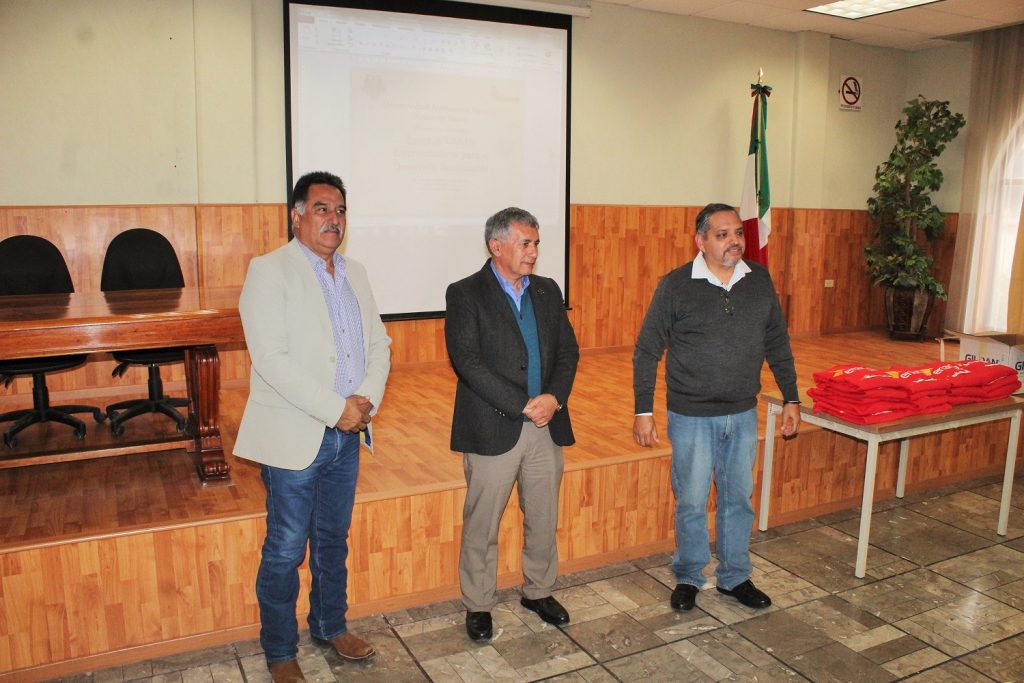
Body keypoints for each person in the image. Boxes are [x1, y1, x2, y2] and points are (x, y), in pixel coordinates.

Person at [234, 171, 392, 683]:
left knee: (332, 540)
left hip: (348, 432)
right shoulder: (268, 271)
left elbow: (379, 344)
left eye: (340, 210)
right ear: (296, 216)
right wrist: (335, 408)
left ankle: (330, 625)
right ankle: (281, 651)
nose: (333, 219)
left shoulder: (356, 273)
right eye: (322, 209)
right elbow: (271, 360)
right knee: (285, 549)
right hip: (296, 435)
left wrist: (365, 401)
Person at [632, 202, 800, 613]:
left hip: (742, 412)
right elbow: (647, 350)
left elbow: (777, 341)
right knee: (691, 500)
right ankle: (689, 575)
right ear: (701, 241)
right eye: (722, 235)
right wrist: (643, 410)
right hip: (691, 415)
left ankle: (734, 576)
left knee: (738, 498)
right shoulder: (676, 285)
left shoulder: (758, 279)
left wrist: (791, 397)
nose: (734, 241)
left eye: (738, 233)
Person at [445, 207, 580, 641]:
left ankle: (539, 591)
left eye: (536, 243)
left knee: (542, 515)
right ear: (496, 246)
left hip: (546, 425)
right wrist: (523, 405)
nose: (533, 252)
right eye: (525, 243)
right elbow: (467, 362)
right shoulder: (465, 293)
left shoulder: (547, 289)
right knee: (482, 523)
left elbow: (568, 352)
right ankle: (479, 603)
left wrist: (554, 398)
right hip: (492, 427)